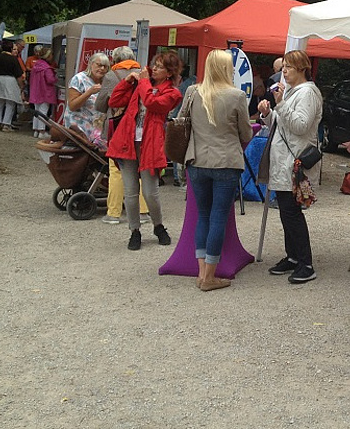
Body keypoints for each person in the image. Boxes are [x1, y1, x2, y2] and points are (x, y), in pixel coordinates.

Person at [179, 49, 253, 291]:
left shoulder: (192, 91)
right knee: (218, 217)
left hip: (197, 161)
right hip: (226, 162)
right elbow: (246, 133)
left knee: (203, 216)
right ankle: (210, 276)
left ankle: (201, 273)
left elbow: (180, 121)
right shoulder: (236, 95)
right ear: (225, 69)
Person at [106, 51, 183, 250]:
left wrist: (142, 83)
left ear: (169, 73)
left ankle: (158, 225)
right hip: (128, 140)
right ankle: (135, 230)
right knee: (130, 192)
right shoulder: (140, 84)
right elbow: (114, 101)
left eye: (159, 66)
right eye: (154, 64)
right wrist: (127, 82)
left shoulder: (172, 92)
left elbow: (152, 103)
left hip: (150, 143)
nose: (154, 68)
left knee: (150, 193)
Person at [257, 50, 322, 284]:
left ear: (302, 69)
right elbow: (281, 122)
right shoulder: (294, 91)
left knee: (292, 213)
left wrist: (281, 104)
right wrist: (267, 113)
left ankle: (306, 263)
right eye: (283, 67)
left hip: (294, 161)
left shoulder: (308, 93)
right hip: (284, 160)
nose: (284, 71)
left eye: (289, 67)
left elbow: (301, 125)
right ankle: (293, 257)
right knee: (286, 211)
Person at [94, 46, 150, 225]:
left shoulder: (111, 76)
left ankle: (114, 213)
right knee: (140, 169)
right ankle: (143, 212)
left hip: (118, 128)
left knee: (116, 170)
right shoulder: (144, 73)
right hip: (141, 127)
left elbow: (101, 105)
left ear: (115, 60)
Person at [66, 52, 109, 147]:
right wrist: (89, 92)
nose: (102, 68)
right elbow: (72, 106)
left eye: (105, 66)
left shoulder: (106, 82)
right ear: (91, 64)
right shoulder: (79, 79)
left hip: (97, 131)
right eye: (99, 65)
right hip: (79, 129)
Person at [28, 46, 57, 138]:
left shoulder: (36, 66)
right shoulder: (47, 68)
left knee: (37, 111)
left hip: (36, 91)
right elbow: (50, 80)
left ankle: (36, 130)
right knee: (43, 112)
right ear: (48, 56)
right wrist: (55, 77)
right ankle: (42, 131)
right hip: (45, 92)